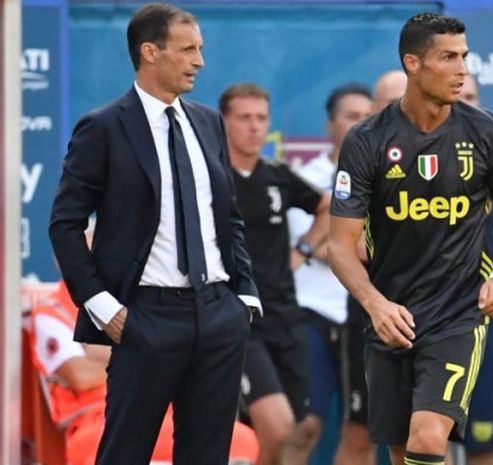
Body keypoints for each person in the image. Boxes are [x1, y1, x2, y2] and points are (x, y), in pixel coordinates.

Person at [48, 4, 259, 464]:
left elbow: (227, 216)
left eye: (199, 48)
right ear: (149, 52)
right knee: (124, 454)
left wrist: (243, 294)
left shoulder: (208, 121)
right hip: (145, 318)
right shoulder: (103, 127)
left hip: (219, 315)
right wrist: (105, 309)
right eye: (187, 49)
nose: (199, 60)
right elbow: (65, 225)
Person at [327, 13, 493, 465]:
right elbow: (338, 246)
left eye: (464, 56)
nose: (462, 69)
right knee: (402, 453)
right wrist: (376, 305)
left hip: (459, 314)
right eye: (448, 57)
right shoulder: (366, 141)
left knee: (427, 438)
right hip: (393, 317)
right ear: (412, 63)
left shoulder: (485, 131)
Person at [28, 278, 259, 465]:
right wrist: (145, 358)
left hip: (158, 408)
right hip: (96, 420)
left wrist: (115, 357)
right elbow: (80, 376)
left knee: (242, 439)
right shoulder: (53, 310)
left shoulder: (136, 297)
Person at [219, 83, 330, 465]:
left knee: (299, 433)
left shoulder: (277, 175)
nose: (254, 127)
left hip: (285, 316)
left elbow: (328, 205)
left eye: (261, 118)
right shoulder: (212, 179)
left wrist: (302, 250)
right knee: (277, 428)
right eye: (244, 118)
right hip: (240, 322)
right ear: (225, 122)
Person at [286, 83, 375, 465]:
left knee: (364, 432)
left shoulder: (385, 178)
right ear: (330, 125)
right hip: (313, 314)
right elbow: (310, 248)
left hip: (367, 313)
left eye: (368, 117)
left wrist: (340, 243)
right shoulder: (307, 178)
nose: (361, 125)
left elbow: (350, 247)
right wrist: (354, 247)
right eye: (351, 116)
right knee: (303, 426)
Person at [453, 73, 493, 465]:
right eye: (459, 95)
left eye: (473, 96)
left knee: (484, 438)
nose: (465, 104)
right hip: (422, 317)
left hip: (483, 317)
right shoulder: (406, 154)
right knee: (426, 440)